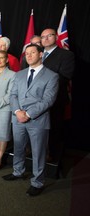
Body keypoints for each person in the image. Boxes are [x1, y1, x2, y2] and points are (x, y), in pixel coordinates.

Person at [2, 44, 59, 197]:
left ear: (41, 54)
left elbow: (48, 100)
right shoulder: (19, 74)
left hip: (37, 120)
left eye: (32, 52)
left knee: (38, 152)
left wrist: (27, 113)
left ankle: (37, 182)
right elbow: (13, 95)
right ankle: (18, 171)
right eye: (27, 53)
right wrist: (17, 111)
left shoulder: (52, 76)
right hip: (17, 118)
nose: (29, 55)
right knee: (19, 147)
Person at [40, 28, 75, 163]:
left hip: (54, 100)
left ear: (56, 37)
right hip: (35, 99)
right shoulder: (37, 54)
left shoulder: (66, 55)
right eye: (43, 37)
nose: (46, 39)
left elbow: (65, 77)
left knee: (53, 129)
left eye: (49, 35)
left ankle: (51, 155)